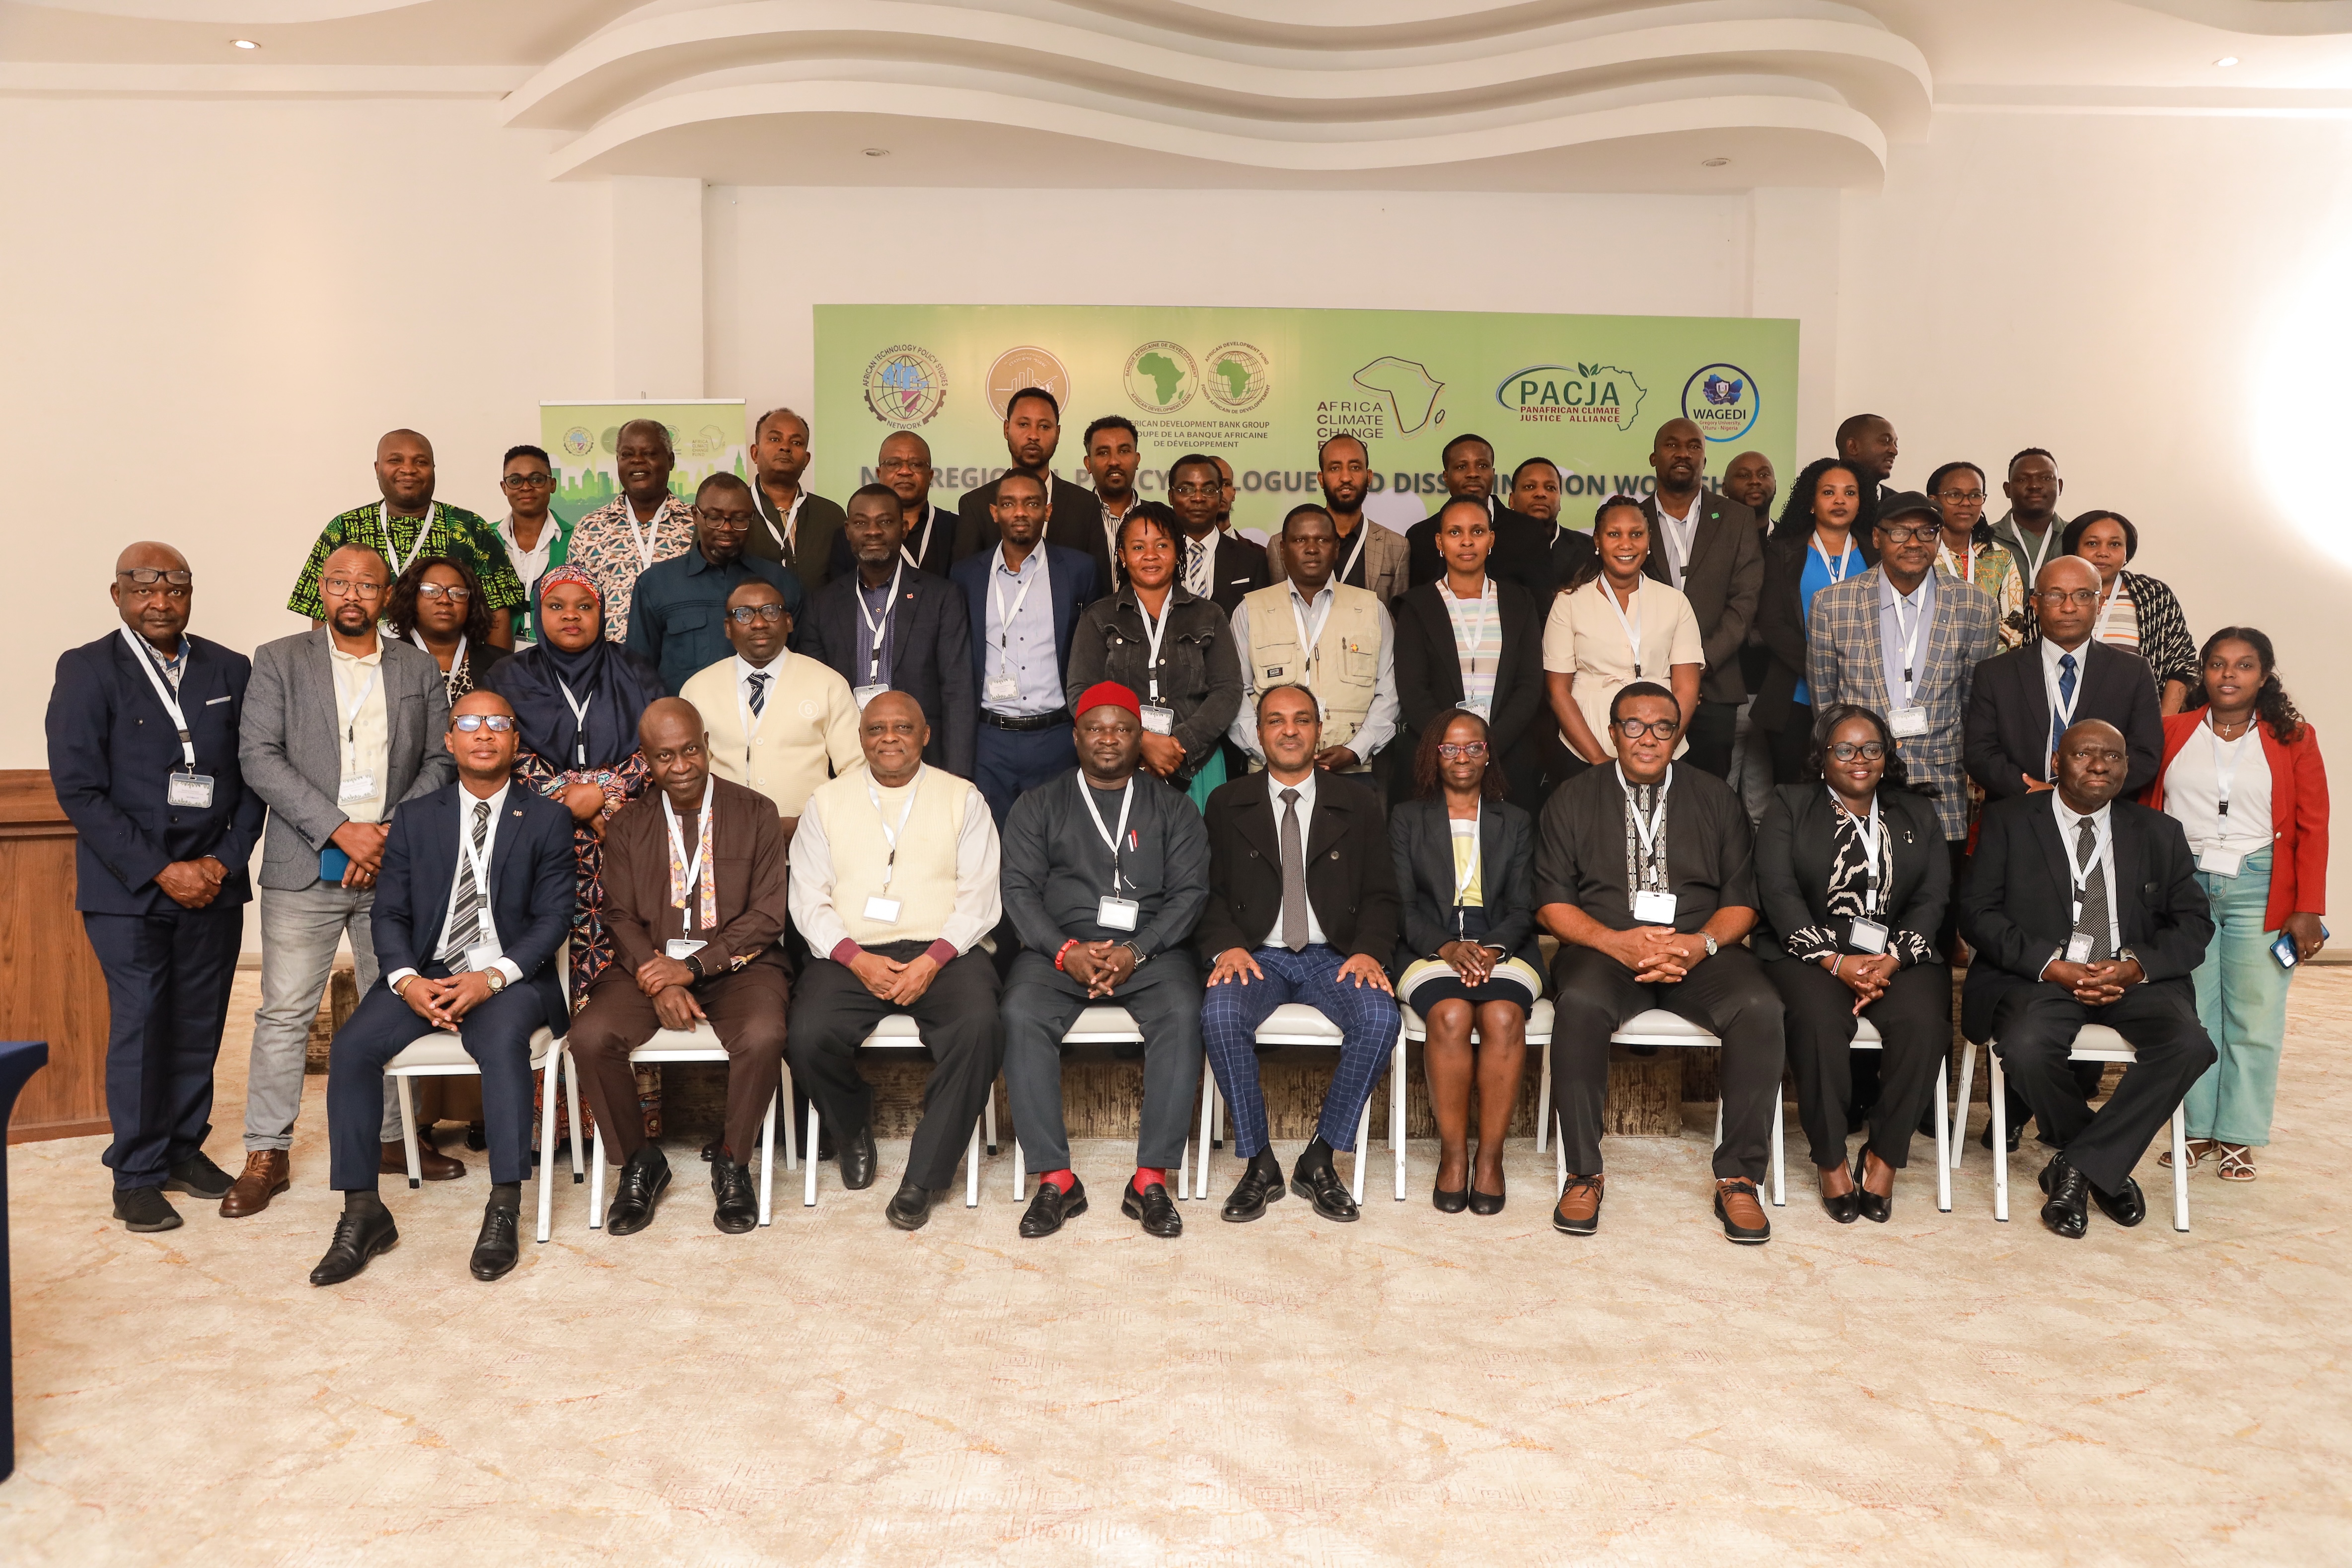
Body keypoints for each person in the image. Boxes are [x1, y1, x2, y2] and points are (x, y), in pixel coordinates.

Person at [307, 690, 575, 1286]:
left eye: (498, 723)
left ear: (515, 740)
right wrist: (405, 981)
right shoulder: (415, 817)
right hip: (424, 973)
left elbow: (553, 919)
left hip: (510, 978)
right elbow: (390, 913)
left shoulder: (548, 818)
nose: (483, 734)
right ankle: (362, 1211)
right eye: (468, 724)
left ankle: (502, 1206)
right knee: (351, 1049)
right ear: (450, 741)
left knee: (501, 1043)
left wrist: (491, 977)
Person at [47, 543, 266, 1231]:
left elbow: (255, 776)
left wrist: (223, 863)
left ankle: (181, 1149)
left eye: (174, 588)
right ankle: (136, 1172)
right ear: (118, 596)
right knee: (144, 1023)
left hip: (215, 884)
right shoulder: (86, 670)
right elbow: (80, 789)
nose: (161, 602)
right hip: (129, 889)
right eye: (144, 590)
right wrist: (161, 869)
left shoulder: (230, 667)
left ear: (191, 595)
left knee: (200, 1022)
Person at [234, 543, 454, 1216]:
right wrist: (339, 829)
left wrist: (386, 832)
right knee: (285, 1012)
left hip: (391, 864)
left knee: (391, 1001)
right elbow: (259, 757)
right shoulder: (279, 660)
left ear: (387, 594)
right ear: (321, 591)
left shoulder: (418, 667)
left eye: (367, 584)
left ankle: (391, 1136)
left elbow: (439, 760)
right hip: (306, 864)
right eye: (340, 583)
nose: (353, 595)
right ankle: (266, 1149)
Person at [1535, 681, 1785, 1244]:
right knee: (1576, 1004)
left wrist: (1698, 945)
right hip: (1604, 950)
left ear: (1678, 735)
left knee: (1759, 1005)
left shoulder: (1715, 798)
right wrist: (1614, 942)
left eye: (1661, 728)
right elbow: (1552, 904)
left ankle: (1740, 1178)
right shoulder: (1571, 798)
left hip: (1699, 951)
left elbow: (1742, 901)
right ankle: (1583, 1172)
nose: (1647, 739)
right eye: (1633, 726)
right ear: (1611, 731)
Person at [1959, 720, 2218, 1239]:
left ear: (2126, 766)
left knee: (2189, 1045)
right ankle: (2099, 1163)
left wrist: (2135, 966)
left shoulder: (2157, 831)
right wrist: (2050, 964)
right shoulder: (2009, 820)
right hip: (2040, 978)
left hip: (2131, 979)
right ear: (2057, 762)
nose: (2098, 765)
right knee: (2026, 1046)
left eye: (2112, 756)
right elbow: (1976, 912)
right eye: (2083, 754)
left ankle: (2074, 1167)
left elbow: (2193, 924)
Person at [566, 699, 791, 1236]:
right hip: (648, 966)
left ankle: (734, 1165)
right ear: (645, 760)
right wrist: (654, 973)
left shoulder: (756, 811)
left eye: (690, 749)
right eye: (665, 756)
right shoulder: (627, 825)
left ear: (707, 743)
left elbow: (766, 915)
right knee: (591, 1035)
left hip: (740, 965)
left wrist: (689, 968)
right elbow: (617, 915)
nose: (682, 765)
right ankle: (640, 1161)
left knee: (764, 1033)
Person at [786, 693, 1004, 1232]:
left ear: (925, 735)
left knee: (979, 1027)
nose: (889, 737)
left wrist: (932, 959)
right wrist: (854, 958)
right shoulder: (826, 801)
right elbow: (806, 898)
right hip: (850, 952)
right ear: (859, 739)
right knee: (806, 1035)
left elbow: (980, 896)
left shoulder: (964, 798)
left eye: (903, 727)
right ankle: (850, 1126)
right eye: (876, 728)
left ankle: (924, 1176)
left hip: (944, 951)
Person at [1000, 686, 1211, 1239]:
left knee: (1183, 1012)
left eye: (1121, 728)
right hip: (1057, 953)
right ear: (1076, 737)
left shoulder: (1174, 806)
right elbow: (1017, 891)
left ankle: (1149, 1180)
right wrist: (1064, 951)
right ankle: (1055, 1179)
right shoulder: (1038, 804)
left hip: (1150, 952)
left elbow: (1190, 894)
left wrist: (1136, 950)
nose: (1109, 737)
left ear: (1140, 738)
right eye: (1096, 728)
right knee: (1020, 1013)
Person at [1196, 685, 1401, 1224]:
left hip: (1331, 955)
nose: (1289, 730)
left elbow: (1383, 894)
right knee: (1218, 1013)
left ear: (1319, 730)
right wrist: (1227, 946)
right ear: (1258, 732)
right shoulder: (1225, 801)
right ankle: (1258, 1162)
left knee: (1380, 1017)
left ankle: (1319, 1157)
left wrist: (1367, 953)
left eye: (1302, 719)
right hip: (1254, 954)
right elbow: (1206, 893)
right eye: (1276, 720)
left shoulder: (1358, 801)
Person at [2144, 629, 2329, 1182]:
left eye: (2243, 665)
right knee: (2192, 1015)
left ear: (2264, 675)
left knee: (2254, 1015)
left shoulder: (2294, 737)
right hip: (2184, 888)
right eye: (2217, 664)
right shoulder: (2170, 731)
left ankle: (2238, 1135)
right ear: (2202, 672)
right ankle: (2196, 1129)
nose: (2228, 675)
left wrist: (2308, 906)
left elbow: (2312, 825)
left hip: (2261, 887)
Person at [1754, 705, 1951, 1224]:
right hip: (1810, 953)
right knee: (1818, 1022)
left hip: (1896, 953)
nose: (1858, 760)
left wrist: (1891, 960)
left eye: (1870, 749)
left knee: (1924, 1024)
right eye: (1843, 749)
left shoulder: (1917, 812)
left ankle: (1884, 1156)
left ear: (1887, 757)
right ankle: (1830, 1158)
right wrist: (1834, 961)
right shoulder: (1789, 805)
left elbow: (1932, 897)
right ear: (1822, 757)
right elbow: (1777, 891)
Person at [1803, 491, 1998, 954]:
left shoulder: (1974, 606)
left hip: (1942, 782)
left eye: (1926, 532)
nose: (1914, 542)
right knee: (1858, 904)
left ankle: (1929, 1010)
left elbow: (1976, 703)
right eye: (1899, 531)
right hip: (1859, 780)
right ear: (1877, 537)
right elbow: (1825, 704)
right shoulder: (1833, 604)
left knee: (1935, 916)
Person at [484, 567, 666, 1013]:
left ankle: (626, 1073)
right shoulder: (508, 676)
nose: (572, 616)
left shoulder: (635, 668)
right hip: (539, 840)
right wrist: (575, 799)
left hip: (624, 836)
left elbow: (663, 743)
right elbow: (502, 748)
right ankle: (552, 1078)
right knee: (544, 954)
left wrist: (604, 792)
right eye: (556, 606)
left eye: (584, 607)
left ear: (601, 613)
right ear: (536, 612)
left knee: (629, 952)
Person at [1389, 711, 1542, 1214]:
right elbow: (1402, 907)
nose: (1461, 757)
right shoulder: (1407, 818)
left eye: (1472, 747)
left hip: (1504, 944)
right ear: (1433, 754)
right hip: (1426, 945)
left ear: (1487, 754)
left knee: (1501, 1015)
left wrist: (1491, 949)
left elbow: (1524, 906)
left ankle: (1490, 1160)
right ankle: (1453, 1157)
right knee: (1451, 1013)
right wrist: (1447, 949)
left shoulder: (1514, 820)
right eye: (1449, 748)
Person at [1064, 504, 1244, 810]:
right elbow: (1081, 693)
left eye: (1162, 545)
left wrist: (1180, 745)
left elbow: (1228, 691)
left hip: (1197, 765)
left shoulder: (1209, 615)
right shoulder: (1099, 617)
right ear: (1122, 555)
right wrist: (1142, 741)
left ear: (1178, 551)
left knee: (1198, 855)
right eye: (1138, 547)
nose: (1151, 555)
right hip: (1121, 767)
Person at [950, 469, 1099, 823]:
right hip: (989, 740)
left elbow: (1095, 652)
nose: (1020, 512)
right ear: (994, 511)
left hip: (1057, 736)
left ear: (1047, 511)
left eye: (1032, 503)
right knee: (990, 845)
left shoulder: (1079, 569)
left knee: (1059, 845)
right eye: (1009, 503)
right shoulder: (965, 574)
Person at [800, 483, 977, 777]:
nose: (873, 531)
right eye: (861, 522)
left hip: (925, 761)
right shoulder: (822, 603)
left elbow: (957, 691)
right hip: (845, 759)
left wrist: (957, 777)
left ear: (904, 528)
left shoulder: (942, 597)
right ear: (847, 531)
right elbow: (814, 693)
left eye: (885, 522)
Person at [287, 429, 521, 648]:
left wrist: (495, 677)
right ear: (378, 468)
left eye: (420, 462)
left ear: (433, 468)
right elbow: (322, 610)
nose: (408, 469)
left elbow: (497, 612)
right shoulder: (345, 528)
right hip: (361, 670)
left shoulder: (470, 527)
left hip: (453, 669)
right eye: (395, 460)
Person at [1965, 555, 2163, 804]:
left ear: (2099, 603)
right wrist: (2029, 790)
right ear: (2035, 603)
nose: (2068, 607)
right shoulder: (1995, 674)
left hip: (2104, 814)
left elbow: (2146, 754)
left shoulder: (2133, 672)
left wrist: (2086, 793)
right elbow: (1980, 752)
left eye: (2082, 595)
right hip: (2018, 811)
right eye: (2055, 596)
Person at [1393, 498, 1547, 808]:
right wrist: (1455, 747)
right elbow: (1413, 690)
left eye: (1477, 531)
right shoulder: (1416, 606)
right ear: (1439, 542)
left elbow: (1530, 684)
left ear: (1491, 539)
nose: (1466, 541)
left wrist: (1489, 745)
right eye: (1455, 532)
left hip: (1508, 755)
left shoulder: (1520, 602)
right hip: (1438, 758)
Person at [1228, 505, 1399, 776]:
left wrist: (1356, 749)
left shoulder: (1372, 609)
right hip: (1269, 772)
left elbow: (1390, 692)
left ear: (1336, 548)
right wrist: (1274, 753)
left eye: (1322, 540)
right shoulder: (1250, 611)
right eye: (1300, 540)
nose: (1311, 548)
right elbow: (1235, 693)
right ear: (1283, 550)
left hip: (1352, 773)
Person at [678, 579, 861, 831]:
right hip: (725, 840)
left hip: (811, 840)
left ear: (789, 621)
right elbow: (688, 773)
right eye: (744, 615)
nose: (759, 623)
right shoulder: (697, 689)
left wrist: (816, 824)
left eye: (771, 611)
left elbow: (856, 768)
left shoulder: (828, 683)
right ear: (728, 628)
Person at [1542, 498, 1703, 776]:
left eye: (1636, 534)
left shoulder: (1676, 602)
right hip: (1585, 753)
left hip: (1664, 749)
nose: (1625, 544)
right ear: (1597, 541)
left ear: (1649, 540)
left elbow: (1687, 690)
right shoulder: (1568, 603)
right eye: (1614, 534)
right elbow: (1558, 692)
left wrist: (1662, 751)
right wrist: (1599, 760)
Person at [1641, 419, 1764, 779]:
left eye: (1694, 446)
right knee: (1645, 786)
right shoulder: (1634, 518)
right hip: (1648, 679)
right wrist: (1666, 666)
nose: (1683, 453)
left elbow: (1745, 601)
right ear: (1653, 457)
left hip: (1716, 682)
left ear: (1705, 461)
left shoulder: (1735, 518)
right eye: (1672, 445)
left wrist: (1699, 663)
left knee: (1709, 795)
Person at [625, 473, 805, 696]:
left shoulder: (781, 582)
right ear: (695, 516)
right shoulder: (656, 584)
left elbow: (801, 662)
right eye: (715, 518)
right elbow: (638, 672)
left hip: (770, 721)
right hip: (689, 723)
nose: (727, 528)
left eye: (739, 519)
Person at [1753, 459, 1875, 785]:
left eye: (1850, 493)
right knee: (1798, 796)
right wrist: (1822, 666)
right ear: (1810, 502)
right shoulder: (1783, 552)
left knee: (1856, 793)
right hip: (1795, 697)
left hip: (1864, 695)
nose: (1840, 500)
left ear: (1860, 502)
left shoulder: (1878, 552)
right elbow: (1772, 623)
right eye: (1828, 492)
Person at [566, 418, 697, 641]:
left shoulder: (696, 524)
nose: (637, 461)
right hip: (610, 664)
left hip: (681, 660)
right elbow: (576, 603)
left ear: (671, 460)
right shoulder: (590, 528)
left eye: (649, 454)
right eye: (627, 455)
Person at [2059, 511, 2197, 714]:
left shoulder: (2153, 596)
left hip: (2135, 718)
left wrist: (2162, 725)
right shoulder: (2051, 593)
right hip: (2061, 715)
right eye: (2092, 544)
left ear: (2127, 552)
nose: (2103, 553)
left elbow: (2181, 664)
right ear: (2074, 549)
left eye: (2114, 544)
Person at [956, 387, 1102, 572]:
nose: (1034, 436)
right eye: (1024, 425)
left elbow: (1098, 587)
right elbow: (965, 580)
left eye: (1044, 427)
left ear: (1057, 434)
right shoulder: (976, 504)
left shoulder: (1085, 505)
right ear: (1007, 429)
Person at [1405, 433, 1551, 596]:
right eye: (1462, 467)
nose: (1473, 474)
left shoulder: (1529, 531)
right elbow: (1417, 604)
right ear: (1446, 477)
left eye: (1482, 466)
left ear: (1493, 473)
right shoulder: (1420, 536)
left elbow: (1541, 603)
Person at [1722, 450, 1780, 823]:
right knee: (1721, 803)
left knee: (1761, 808)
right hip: (1723, 690)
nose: (1755, 481)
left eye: (1763, 473)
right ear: (1725, 487)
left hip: (1772, 694)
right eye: (1744, 475)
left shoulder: (1789, 545)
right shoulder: (1710, 544)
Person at [1280, 435, 1410, 601]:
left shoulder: (1396, 547)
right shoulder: (1282, 547)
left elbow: (1397, 620)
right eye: (1335, 468)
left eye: (1355, 467)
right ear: (1321, 479)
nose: (1346, 478)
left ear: (1369, 477)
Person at [384, 555, 512, 707]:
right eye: (431, 591)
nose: (445, 600)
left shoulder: (504, 665)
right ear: (412, 598)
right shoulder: (385, 660)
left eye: (457, 593)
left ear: (471, 604)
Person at [1926, 460, 2027, 650]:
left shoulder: (2000, 557)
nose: (1966, 503)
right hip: (1930, 668)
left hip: (1990, 670)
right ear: (1933, 501)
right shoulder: (1919, 555)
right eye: (1955, 495)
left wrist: (1981, 665)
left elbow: (2014, 623)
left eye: (1975, 495)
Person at [743, 406, 847, 588]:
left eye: (797, 443)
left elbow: (845, 586)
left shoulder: (832, 516)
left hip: (817, 616)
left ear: (806, 460)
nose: (785, 447)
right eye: (775, 439)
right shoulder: (733, 511)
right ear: (755, 453)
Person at [1166, 453, 1270, 613]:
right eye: (1186, 489)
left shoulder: (1252, 561)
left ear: (1220, 496)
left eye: (1208, 489)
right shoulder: (1155, 556)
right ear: (1171, 496)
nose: (1198, 498)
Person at [493, 444, 572, 647]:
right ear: (504, 488)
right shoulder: (484, 538)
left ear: (552, 484)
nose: (526, 487)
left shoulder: (577, 539)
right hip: (495, 655)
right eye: (515, 481)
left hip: (559, 655)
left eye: (536, 479)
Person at [854, 429, 958, 581]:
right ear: (879, 474)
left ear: (930, 476)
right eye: (894, 464)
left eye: (916, 464)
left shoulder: (958, 529)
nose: (905, 471)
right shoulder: (853, 534)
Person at [1079, 415, 1147, 596]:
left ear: (1137, 459)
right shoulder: (1071, 518)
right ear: (1088, 464)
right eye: (1103, 453)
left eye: (1124, 451)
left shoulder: (1159, 519)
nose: (1114, 461)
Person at [1989, 448, 2066, 589]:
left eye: (2046, 478)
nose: (2035, 486)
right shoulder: (1985, 539)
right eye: (2023, 479)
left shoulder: (2078, 537)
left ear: (2060, 486)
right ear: (2008, 489)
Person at [1834, 413, 1900, 531]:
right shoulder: (1821, 500)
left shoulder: (1900, 505)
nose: (1894, 451)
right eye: (1885, 441)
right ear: (1853, 447)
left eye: (1896, 444)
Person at [1721, 451, 1777, 520]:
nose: (1755, 481)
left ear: (1775, 486)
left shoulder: (1788, 531)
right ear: (1725, 489)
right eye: (1744, 475)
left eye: (1763, 475)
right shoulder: (1710, 530)